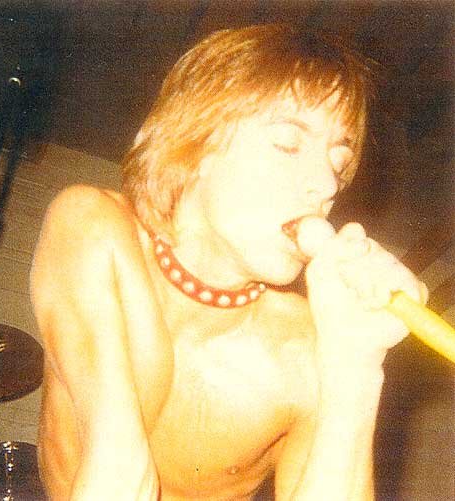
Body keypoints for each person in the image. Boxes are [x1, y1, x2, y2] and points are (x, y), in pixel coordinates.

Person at [30, 24, 426, 500]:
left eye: (338, 166)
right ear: (194, 145)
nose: (326, 186)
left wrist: (355, 364)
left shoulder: (306, 353)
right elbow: (120, 471)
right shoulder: (91, 226)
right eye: (288, 145)